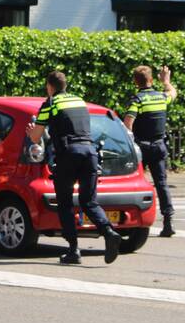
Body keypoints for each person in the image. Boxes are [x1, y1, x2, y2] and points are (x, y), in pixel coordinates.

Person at [27, 71, 122, 265]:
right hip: (90, 153)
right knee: (89, 201)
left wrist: (31, 133)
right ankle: (108, 231)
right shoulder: (79, 101)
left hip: (68, 155)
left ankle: (73, 250)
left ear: (49, 87)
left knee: (66, 204)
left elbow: (36, 137)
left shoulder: (50, 103)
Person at [123, 65, 177, 238]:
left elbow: (128, 121)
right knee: (161, 183)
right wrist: (166, 82)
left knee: (134, 181)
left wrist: (129, 141)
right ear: (151, 80)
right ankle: (168, 221)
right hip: (159, 145)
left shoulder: (137, 100)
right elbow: (173, 93)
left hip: (142, 146)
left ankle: (132, 221)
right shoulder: (161, 97)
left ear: (135, 82)